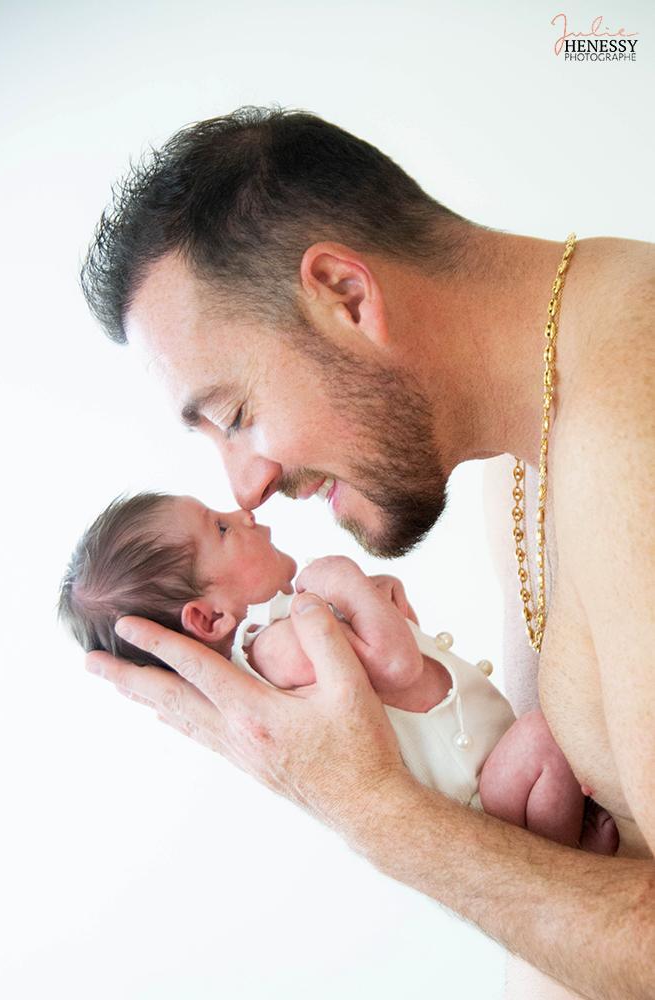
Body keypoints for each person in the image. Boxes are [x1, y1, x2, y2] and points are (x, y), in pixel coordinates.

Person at [78, 106, 655, 999]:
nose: (244, 487)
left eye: (234, 416)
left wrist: (371, 811)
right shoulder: (523, 445)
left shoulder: (637, 430)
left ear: (345, 295)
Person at [59, 490, 616, 851]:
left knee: (549, 732)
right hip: (483, 794)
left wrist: (383, 604)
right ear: (208, 618)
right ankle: (569, 851)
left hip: (488, 765)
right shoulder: (278, 650)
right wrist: (344, 575)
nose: (242, 512)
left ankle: (568, 830)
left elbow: (407, 663)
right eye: (222, 530)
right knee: (546, 731)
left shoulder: (281, 639)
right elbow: (396, 664)